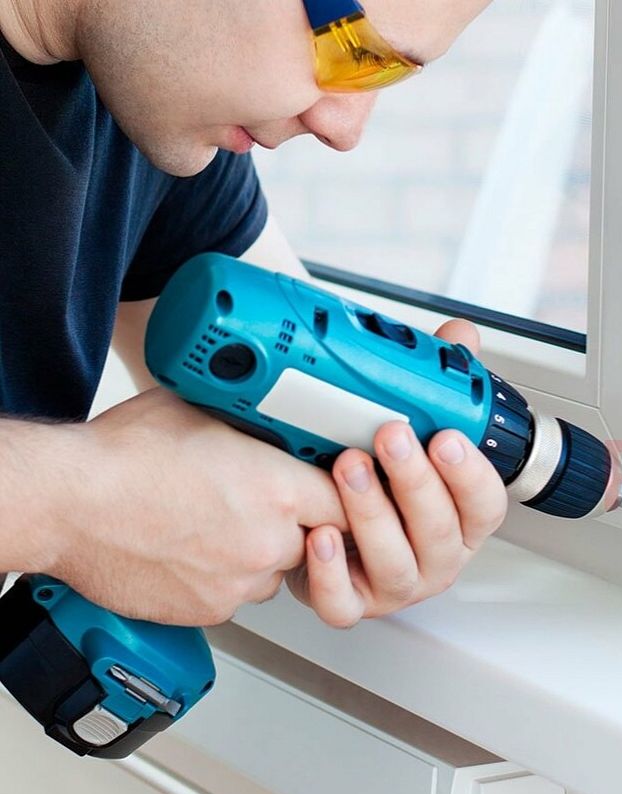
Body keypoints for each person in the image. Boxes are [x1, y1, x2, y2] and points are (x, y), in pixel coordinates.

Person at [0, 0, 507, 629]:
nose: (343, 129)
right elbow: (86, 501)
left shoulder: (151, 94)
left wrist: (358, 497)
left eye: (383, 74)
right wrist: (76, 504)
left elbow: (294, 356)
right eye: (353, 51)